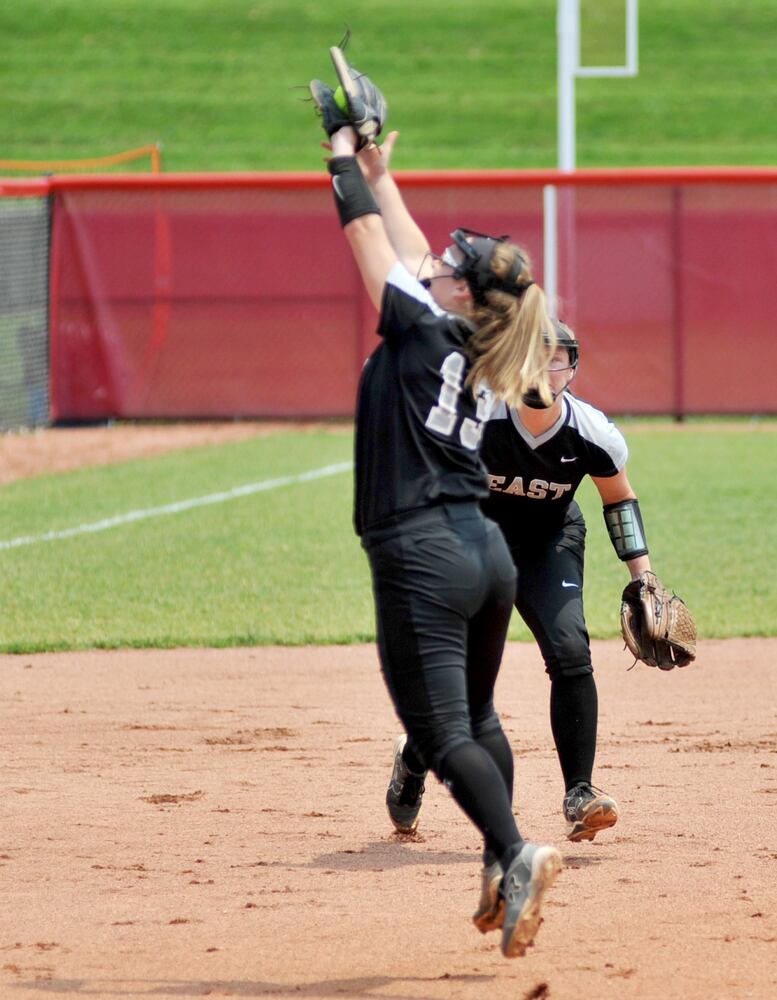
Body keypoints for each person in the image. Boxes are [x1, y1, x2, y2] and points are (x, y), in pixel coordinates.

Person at [310, 49, 562, 959]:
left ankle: (513, 850)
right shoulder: (475, 331)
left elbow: (366, 236)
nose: (439, 261)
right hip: (483, 552)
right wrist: (382, 167)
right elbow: (414, 249)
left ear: (462, 291)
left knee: (436, 730)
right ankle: (503, 862)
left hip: (422, 550)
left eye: (454, 264)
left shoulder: (421, 320)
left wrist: (341, 154)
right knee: (481, 719)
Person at [388, 321, 656, 854]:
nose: (544, 369)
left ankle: (580, 793)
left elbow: (618, 499)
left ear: (572, 369)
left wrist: (643, 575)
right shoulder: (477, 418)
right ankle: (414, 757)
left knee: (571, 650)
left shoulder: (592, 432)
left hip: (547, 542)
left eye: (556, 360)